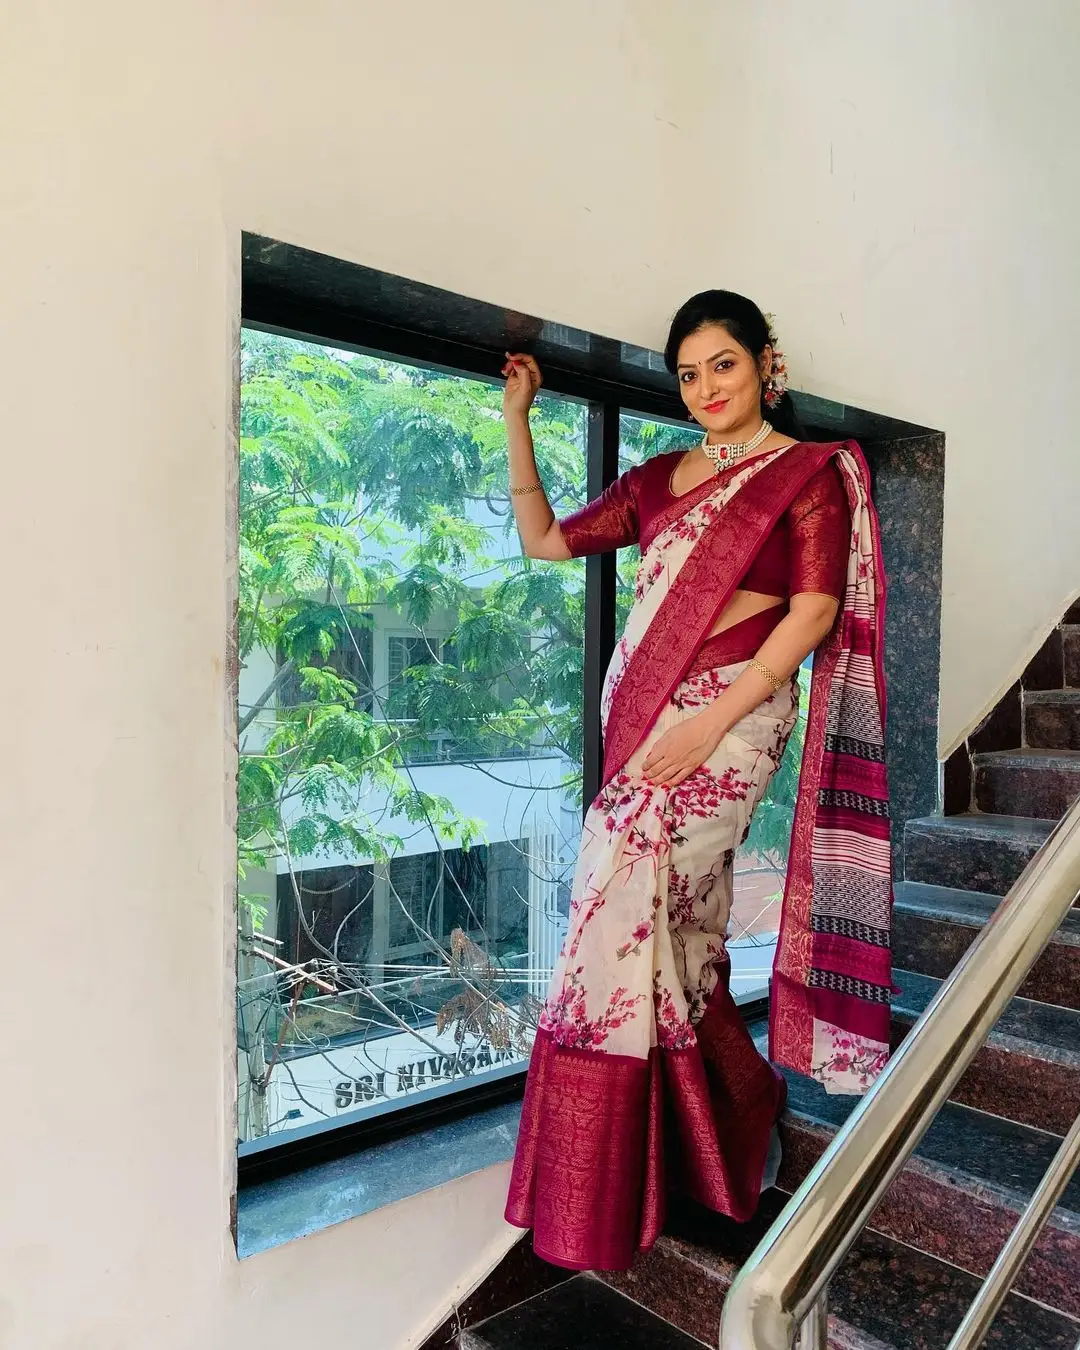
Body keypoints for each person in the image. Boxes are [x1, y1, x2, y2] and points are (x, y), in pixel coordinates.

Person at [501, 290, 892, 1272]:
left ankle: (645, 1166)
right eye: (688, 373)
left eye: (723, 363)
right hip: (644, 739)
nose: (706, 387)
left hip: (729, 729)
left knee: (636, 914)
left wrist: (707, 719)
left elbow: (810, 612)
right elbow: (547, 542)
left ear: (769, 363)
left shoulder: (809, 475)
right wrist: (518, 421)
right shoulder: (660, 479)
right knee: (669, 939)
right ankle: (717, 1135)